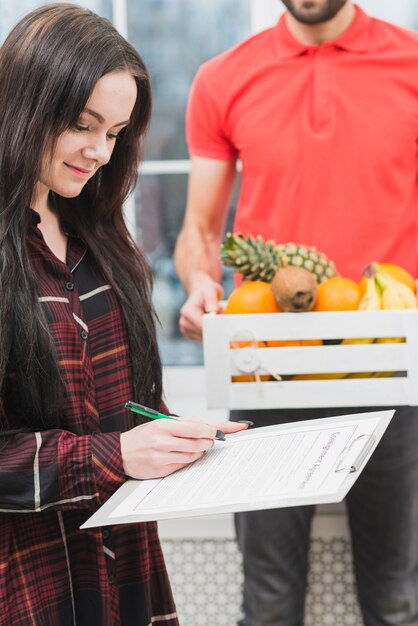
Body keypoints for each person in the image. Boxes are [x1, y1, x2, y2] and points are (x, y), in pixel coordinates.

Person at [0, 4, 248, 625]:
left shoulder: (97, 237)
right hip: (29, 575)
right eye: (83, 125)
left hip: (122, 566)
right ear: (24, 104)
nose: (99, 152)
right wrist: (116, 457)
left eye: (114, 133)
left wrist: (175, 435)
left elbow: (113, 405)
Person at [174, 1, 418, 625]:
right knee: (269, 607)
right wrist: (201, 284)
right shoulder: (224, 77)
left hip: (393, 374)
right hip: (266, 375)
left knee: (396, 603)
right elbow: (201, 229)